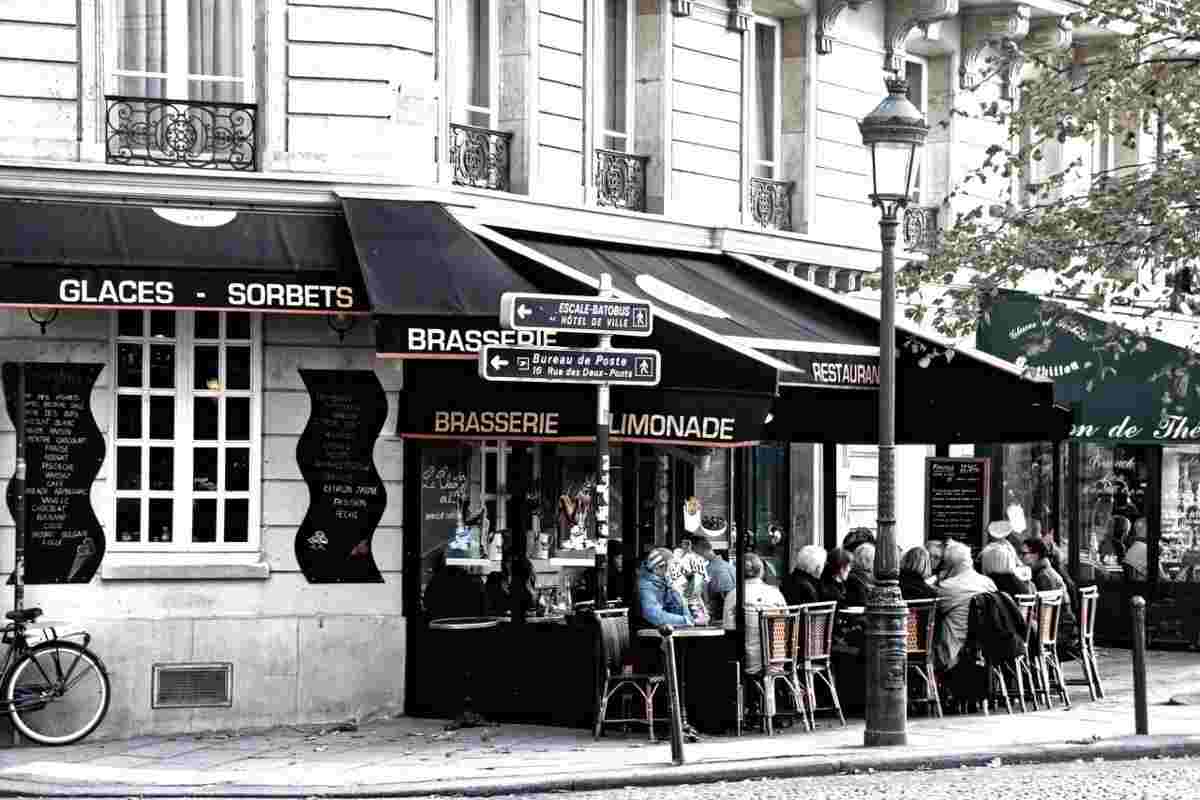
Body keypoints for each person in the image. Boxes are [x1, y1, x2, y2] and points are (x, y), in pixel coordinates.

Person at [935, 541, 997, 671]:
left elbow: (933, 610)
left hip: (953, 649)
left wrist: (938, 579)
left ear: (950, 565)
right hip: (985, 646)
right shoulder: (988, 583)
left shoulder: (948, 587)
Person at [724, 553, 787, 675]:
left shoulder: (734, 595)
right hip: (778, 660)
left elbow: (729, 629)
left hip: (748, 662)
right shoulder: (776, 594)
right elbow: (787, 623)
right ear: (761, 571)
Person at [1022, 537, 1078, 648]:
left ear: (1036, 555)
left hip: (1058, 634)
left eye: (1024, 553)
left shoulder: (1044, 577)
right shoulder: (1045, 572)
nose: (1020, 557)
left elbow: (1044, 614)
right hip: (1062, 630)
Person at [636, 547, 693, 629]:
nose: (673, 570)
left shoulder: (665, 580)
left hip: (666, 632)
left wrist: (678, 594)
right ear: (657, 568)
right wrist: (685, 620)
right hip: (648, 635)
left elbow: (678, 609)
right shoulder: (645, 585)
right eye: (671, 566)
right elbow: (654, 615)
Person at [423, 551, 486, 620]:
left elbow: (426, 603)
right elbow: (483, 609)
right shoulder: (475, 582)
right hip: (469, 626)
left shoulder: (436, 581)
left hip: (441, 627)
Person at [693, 538, 734, 622]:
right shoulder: (730, 566)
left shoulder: (713, 570)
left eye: (695, 553)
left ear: (700, 550)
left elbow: (723, 596)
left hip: (720, 618)